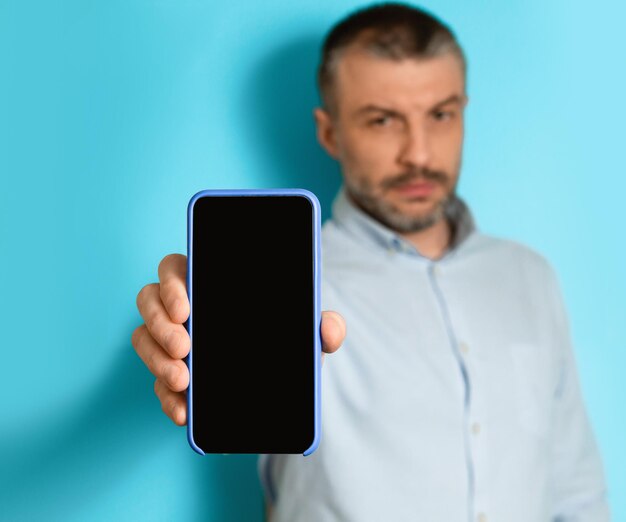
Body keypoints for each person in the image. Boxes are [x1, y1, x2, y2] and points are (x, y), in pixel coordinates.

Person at [132, 3, 610, 521]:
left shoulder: (529, 276)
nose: (419, 153)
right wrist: (185, 334)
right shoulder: (287, 281)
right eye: (383, 120)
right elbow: (203, 376)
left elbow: (576, 490)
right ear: (330, 132)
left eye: (442, 114)